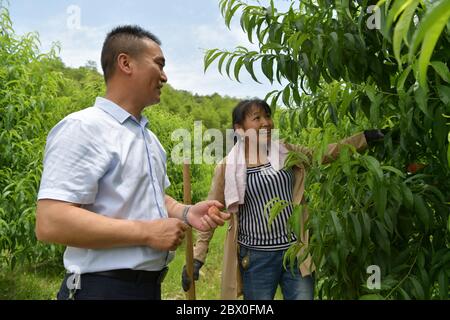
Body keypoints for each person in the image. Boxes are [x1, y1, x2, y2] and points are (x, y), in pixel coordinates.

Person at [35, 25, 230, 300]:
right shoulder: (83, 127)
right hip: (101, 288)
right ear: (125, 62)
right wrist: (147, 233)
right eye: (159, 64)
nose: (164, 76)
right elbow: (51, 221)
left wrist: (186, 212)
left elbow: (153, 199)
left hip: (148, 288)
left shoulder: (150, 140)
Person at [182, 99, 383, 300]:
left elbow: (322, 154)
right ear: (239, 129)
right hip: (256, 258)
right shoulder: (227, 167)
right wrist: (197, 257)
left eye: (267, 116)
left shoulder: (286, 151)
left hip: (296, 251)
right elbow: (211, 212)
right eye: (257, 118)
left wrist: (363, 138)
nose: (266, 123)